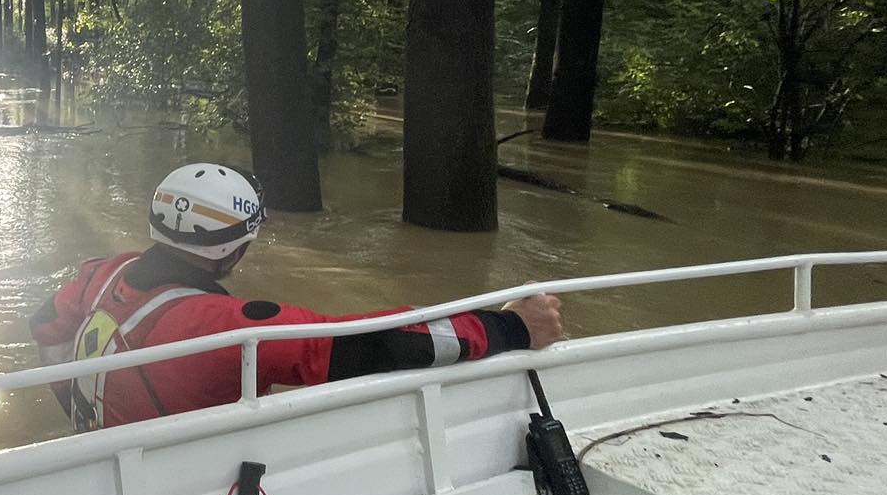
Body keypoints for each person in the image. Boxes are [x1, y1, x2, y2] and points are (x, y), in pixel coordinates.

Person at [31, 162, 564, 431]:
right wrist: (511, 327)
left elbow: (44, 325)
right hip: (181, 484)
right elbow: (378, 345)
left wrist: (73, 406)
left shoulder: (103, 272)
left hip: (100, 446)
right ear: (235, 250)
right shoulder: (229, 326)